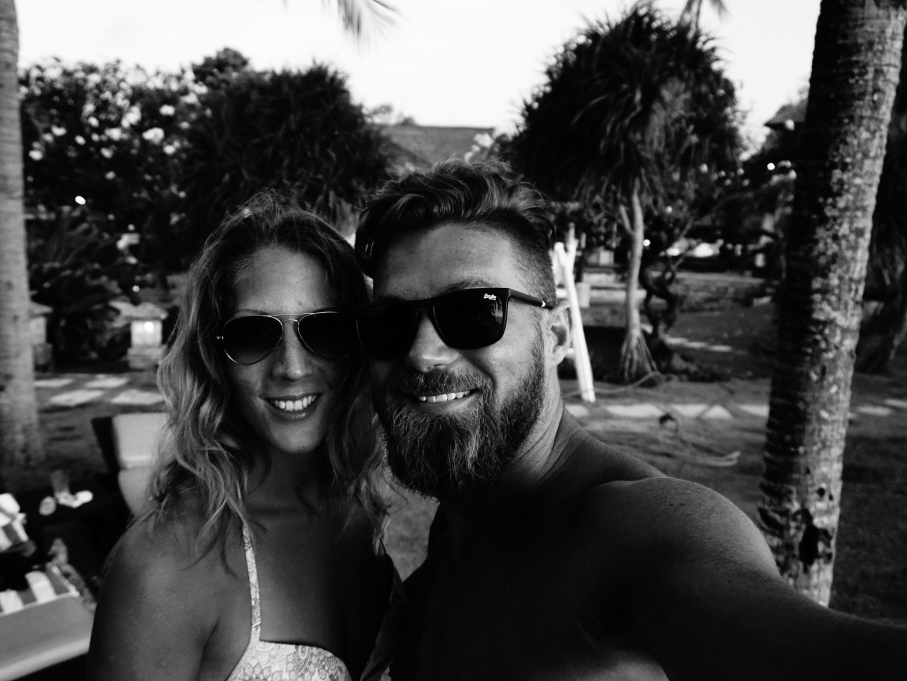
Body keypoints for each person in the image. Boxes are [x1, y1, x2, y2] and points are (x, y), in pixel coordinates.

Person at [352, 160, 907, 680]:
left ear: (557, 335)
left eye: (474, 312)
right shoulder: (461, 518)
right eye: (390, 322)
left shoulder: (631, 528)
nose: (422, 353)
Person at [89, 194, 400, 681]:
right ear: (213, 358)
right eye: (254, 335)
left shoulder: (364, 512)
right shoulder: (167, 565)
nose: (292, 368)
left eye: (325, 330)